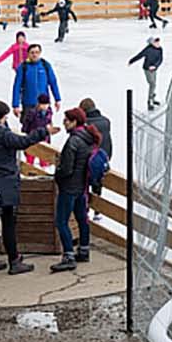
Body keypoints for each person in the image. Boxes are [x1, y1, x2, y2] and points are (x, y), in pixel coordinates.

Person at [0, 98, 56, 275]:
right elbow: (23, 142)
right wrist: (44, 131)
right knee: (9, 221)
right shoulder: (1, 134)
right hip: (4, 183)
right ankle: (14, 260)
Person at [50, 108, 102, 273]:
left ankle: (68, 257)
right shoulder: (87, 139)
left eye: (66, 120)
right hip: (82, 187)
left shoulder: (73, 141)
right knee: (82, 219)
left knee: (61, 221)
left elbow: (66, 168)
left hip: (69, 187)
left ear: (74, 122)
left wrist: (57, 174)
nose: (64, 122)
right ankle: (84, 250)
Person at [79, 97, 112, 220]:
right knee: (98, 184)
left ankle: (85, 210)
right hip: (103, 158)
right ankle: (98, 211)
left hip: (88, 159)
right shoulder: (106, 122)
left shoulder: (86, 125)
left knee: (85, 185)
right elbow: (108, 141)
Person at [11, 43, 62, 120]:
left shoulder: (45, 65)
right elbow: (17, 86)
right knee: (28, 127)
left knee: (45, 127)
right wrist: (15, 105)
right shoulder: (23, 67)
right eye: (32, 53)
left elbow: (53, 83)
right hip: (28, 104)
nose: (34, 55)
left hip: (43, 104)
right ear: (28, 54)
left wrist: (57, 99)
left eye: (37, 52)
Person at [128, 36, 163, 109]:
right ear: (152, 43)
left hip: (154, 69)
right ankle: (149, 100)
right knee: (152, 84)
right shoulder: (148, 50)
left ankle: (152, 99)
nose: (158, 43)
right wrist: (131, 61)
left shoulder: (160, 49)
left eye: (158, 41)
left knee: (154, 84)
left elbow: (160, 60)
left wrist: (155, 66)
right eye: (155, 42)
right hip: (147, 69)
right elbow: (139, 55)